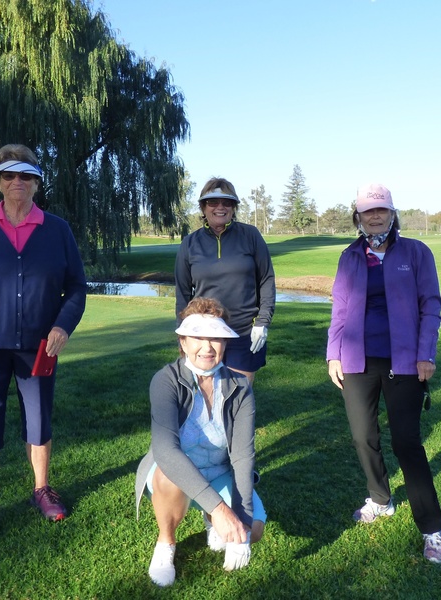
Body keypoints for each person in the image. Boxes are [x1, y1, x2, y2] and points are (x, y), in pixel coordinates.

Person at [0, 144, 87, 548]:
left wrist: (63, 325)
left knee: (39, 419)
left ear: (37, 182)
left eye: (25, 175)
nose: (17, 182)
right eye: (8, 175)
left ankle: (42, 489)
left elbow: (77, 287)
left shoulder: (57, 230)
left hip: (40, 348)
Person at [326, 183, 441, 563]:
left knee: (406, 442)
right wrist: (333, 354)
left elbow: (431, 305)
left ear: (393, 214)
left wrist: (426, 353)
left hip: (405, 361)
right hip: (357, 361)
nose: (375, 216)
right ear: (358, 217)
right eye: (368, 211)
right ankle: (380, 499)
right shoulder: (350, 256)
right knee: (363, 437)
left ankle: (432, 529)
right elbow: (340, 309)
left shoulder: (415, 252)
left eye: (381, 210)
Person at [135, 297, 266, 587]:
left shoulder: (240, 386)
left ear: (225, 343)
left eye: (215, 338)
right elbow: (166, 451)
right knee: (168, 476)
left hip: (218, 471)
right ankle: (166, 543)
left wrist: (241, 520)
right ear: (182, 342)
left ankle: (211, 519)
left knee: (253, 530)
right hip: (173, 473)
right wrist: (221, 509)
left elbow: (243, 456)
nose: (207, 347)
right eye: (197, 338)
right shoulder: (165, 380)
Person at [175, 177, 275, 385]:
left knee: (239, 393)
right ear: (203, 207)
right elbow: (183, 293)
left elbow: (266, 279)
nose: (220, 207)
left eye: (227, 202)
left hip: (244, 331)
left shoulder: (250, 235)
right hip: (205, 334)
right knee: (206, 394)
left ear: (234, 207)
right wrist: (183, 334)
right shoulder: (190, 243)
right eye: (213, 202)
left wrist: (263, 322)